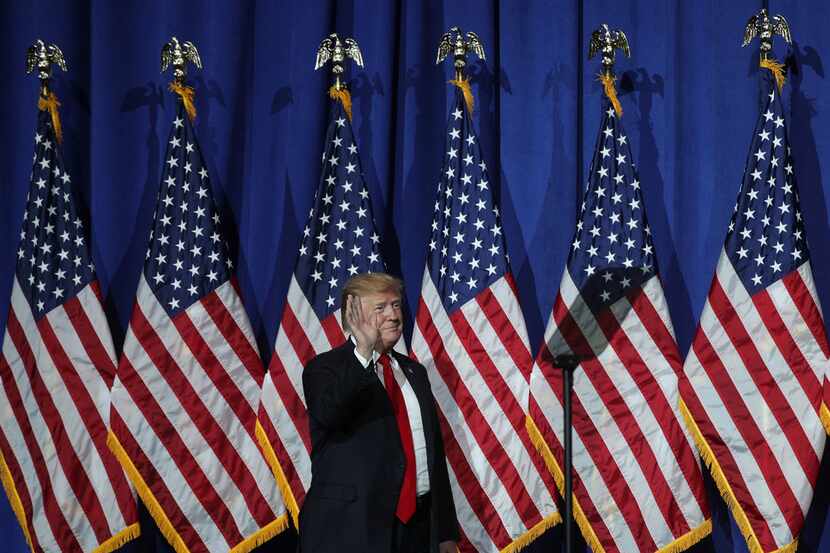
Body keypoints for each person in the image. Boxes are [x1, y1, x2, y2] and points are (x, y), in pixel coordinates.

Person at [298, 272, 459, 553]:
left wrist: (445, 532)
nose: (394, 315)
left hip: (417, 531)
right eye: (380, 307)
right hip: (351, 530)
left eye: (396, 305)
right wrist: (363, 352)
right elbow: (331, 413)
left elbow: (433, 453)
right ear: (354, 315)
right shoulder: (325, 368)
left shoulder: (414, 372)